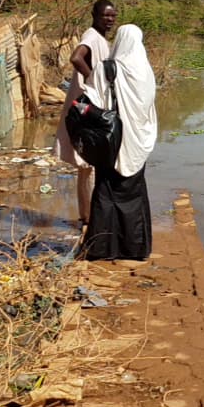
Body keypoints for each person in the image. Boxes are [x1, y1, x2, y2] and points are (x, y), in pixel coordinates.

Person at [79, 24, 157, 262]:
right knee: (133, 192)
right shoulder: (146, 71)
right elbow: (148, 109)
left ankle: (102, 248)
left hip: (111, 142)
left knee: (106, 191)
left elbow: (92, 100)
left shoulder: (106, 68)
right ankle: (135, 249)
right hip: (138, 141)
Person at [54, 0, 116, 229]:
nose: (109, 20)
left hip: (87, 105)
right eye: (105, 16)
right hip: (85, 106)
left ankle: (87, 215)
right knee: (88, 163)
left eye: (112, 16)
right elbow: (76, 57)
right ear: (94, 15)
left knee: (87, 164)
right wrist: (93, 80)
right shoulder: (91, 36)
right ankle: (88, 218)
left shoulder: (100, 39)